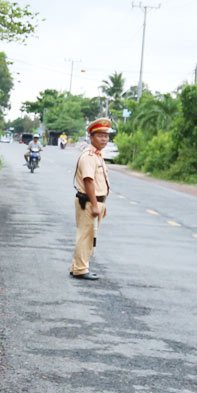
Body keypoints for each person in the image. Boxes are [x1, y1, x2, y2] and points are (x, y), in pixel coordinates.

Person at [70, 118, 114, 281]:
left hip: (95, 201)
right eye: (100, 136)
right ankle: (81, 269)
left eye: (106, 136)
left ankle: (77, 266)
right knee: (86, 236)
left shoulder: (97, 155)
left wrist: (102, 203)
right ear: (91, 137)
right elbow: (89, 181)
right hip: (89, 202)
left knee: (86, 235)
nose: (104, 139)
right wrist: (96, 204)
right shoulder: (89, 156)